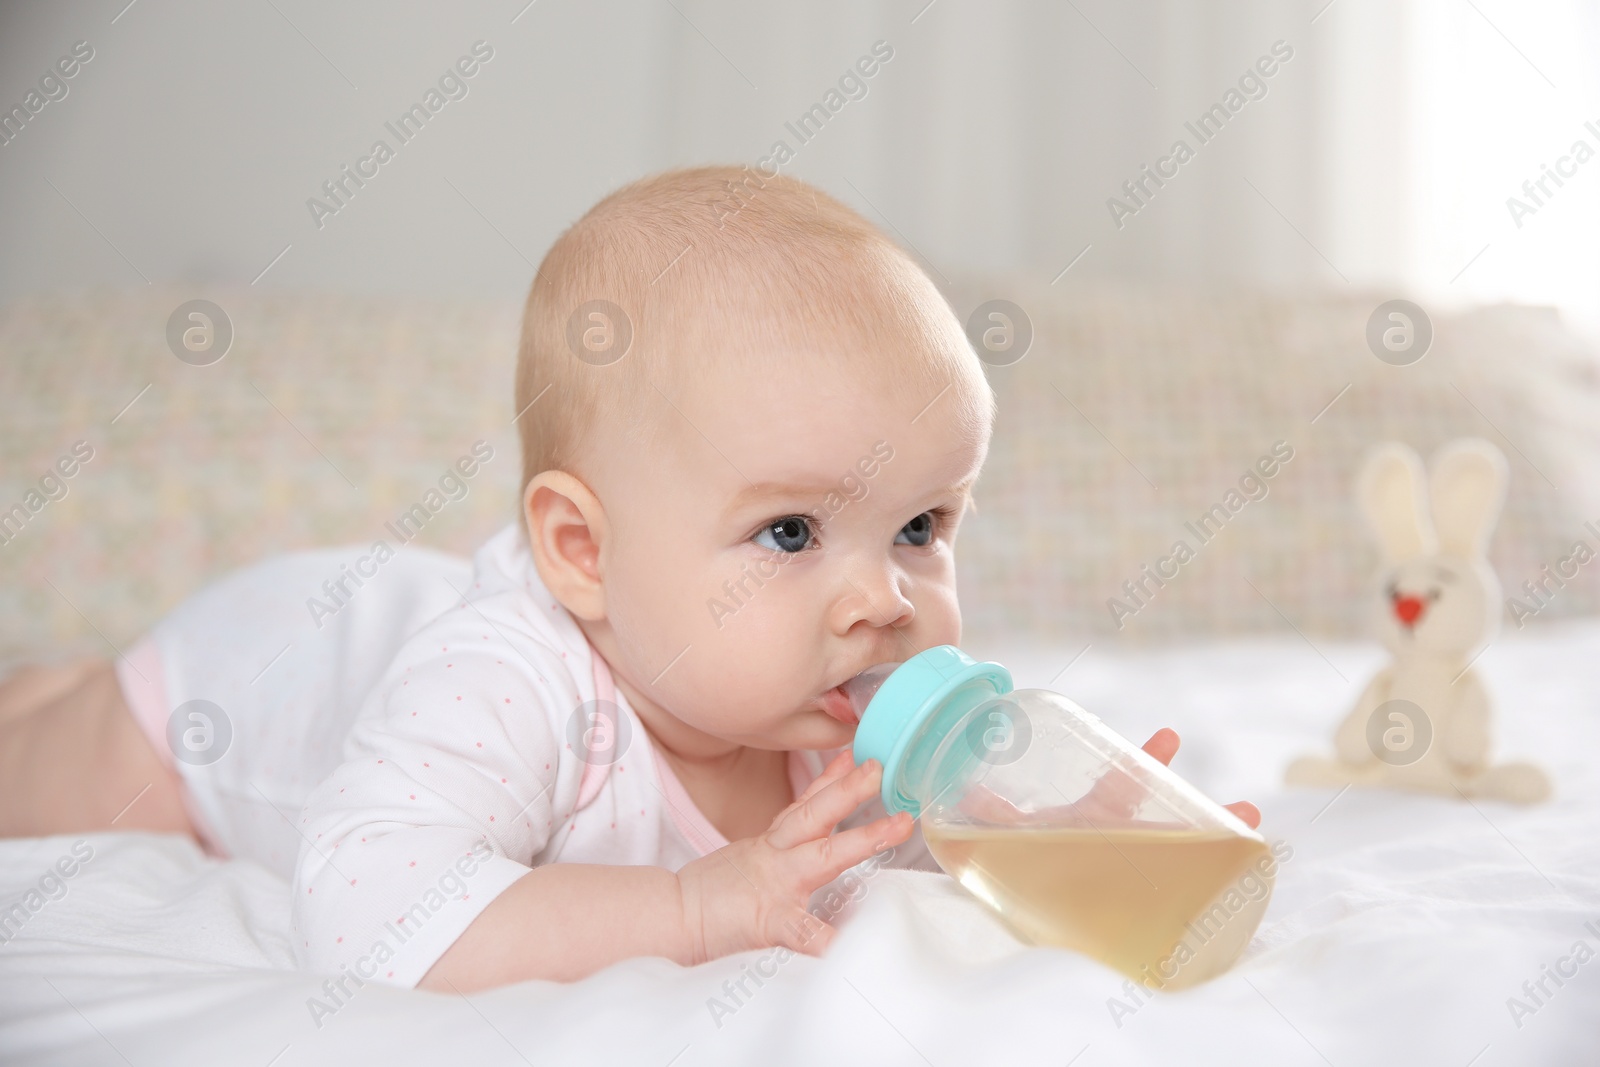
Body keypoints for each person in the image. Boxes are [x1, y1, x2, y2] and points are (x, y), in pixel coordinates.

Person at [0, 166, 1258, 992]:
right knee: (43, 757)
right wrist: (690, 907)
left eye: (921, 523)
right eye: (787, 533)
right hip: (239, 688)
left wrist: (1069, 825)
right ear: (585, 554)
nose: (881, 598)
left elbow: (904, 851)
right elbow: (367, 909)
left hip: (402, 622)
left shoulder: (824, 704)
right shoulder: (510, 685)